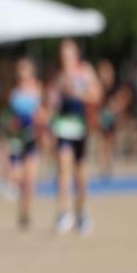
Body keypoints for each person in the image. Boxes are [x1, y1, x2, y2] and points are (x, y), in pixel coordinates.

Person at [46, 39, 102, 235]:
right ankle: (63, 213)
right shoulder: (58, 76)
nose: (65, 58)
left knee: (80, 174)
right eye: (63, 54)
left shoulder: (85, 71)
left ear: (76, 54)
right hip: (63, 127)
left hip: (81, 127)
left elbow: (96, 95)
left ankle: (82, 213)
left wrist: (79, 93)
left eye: (69, 54)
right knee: (62, 168)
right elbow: (51, 102)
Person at [2, 57, 43, 229]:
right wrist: (10, 125)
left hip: (32, 137)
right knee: (17, 177)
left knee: (30, 180)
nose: (22, 73)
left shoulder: (38, 90)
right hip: (17, 138)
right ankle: (21, 208)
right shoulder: (13, 92)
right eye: (20, 69)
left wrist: (40, 122)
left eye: (25, 69)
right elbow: (6, 116)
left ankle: (25, 213)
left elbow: (44, 113)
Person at [96, 59, 131, 180]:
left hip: (112, 116)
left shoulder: (116, 84)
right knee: (102, 141)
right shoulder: (99, 85)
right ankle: (103, 166)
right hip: (102, 116)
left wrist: (117, 105)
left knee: (110, 140)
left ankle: (109, 162)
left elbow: (125, 96)